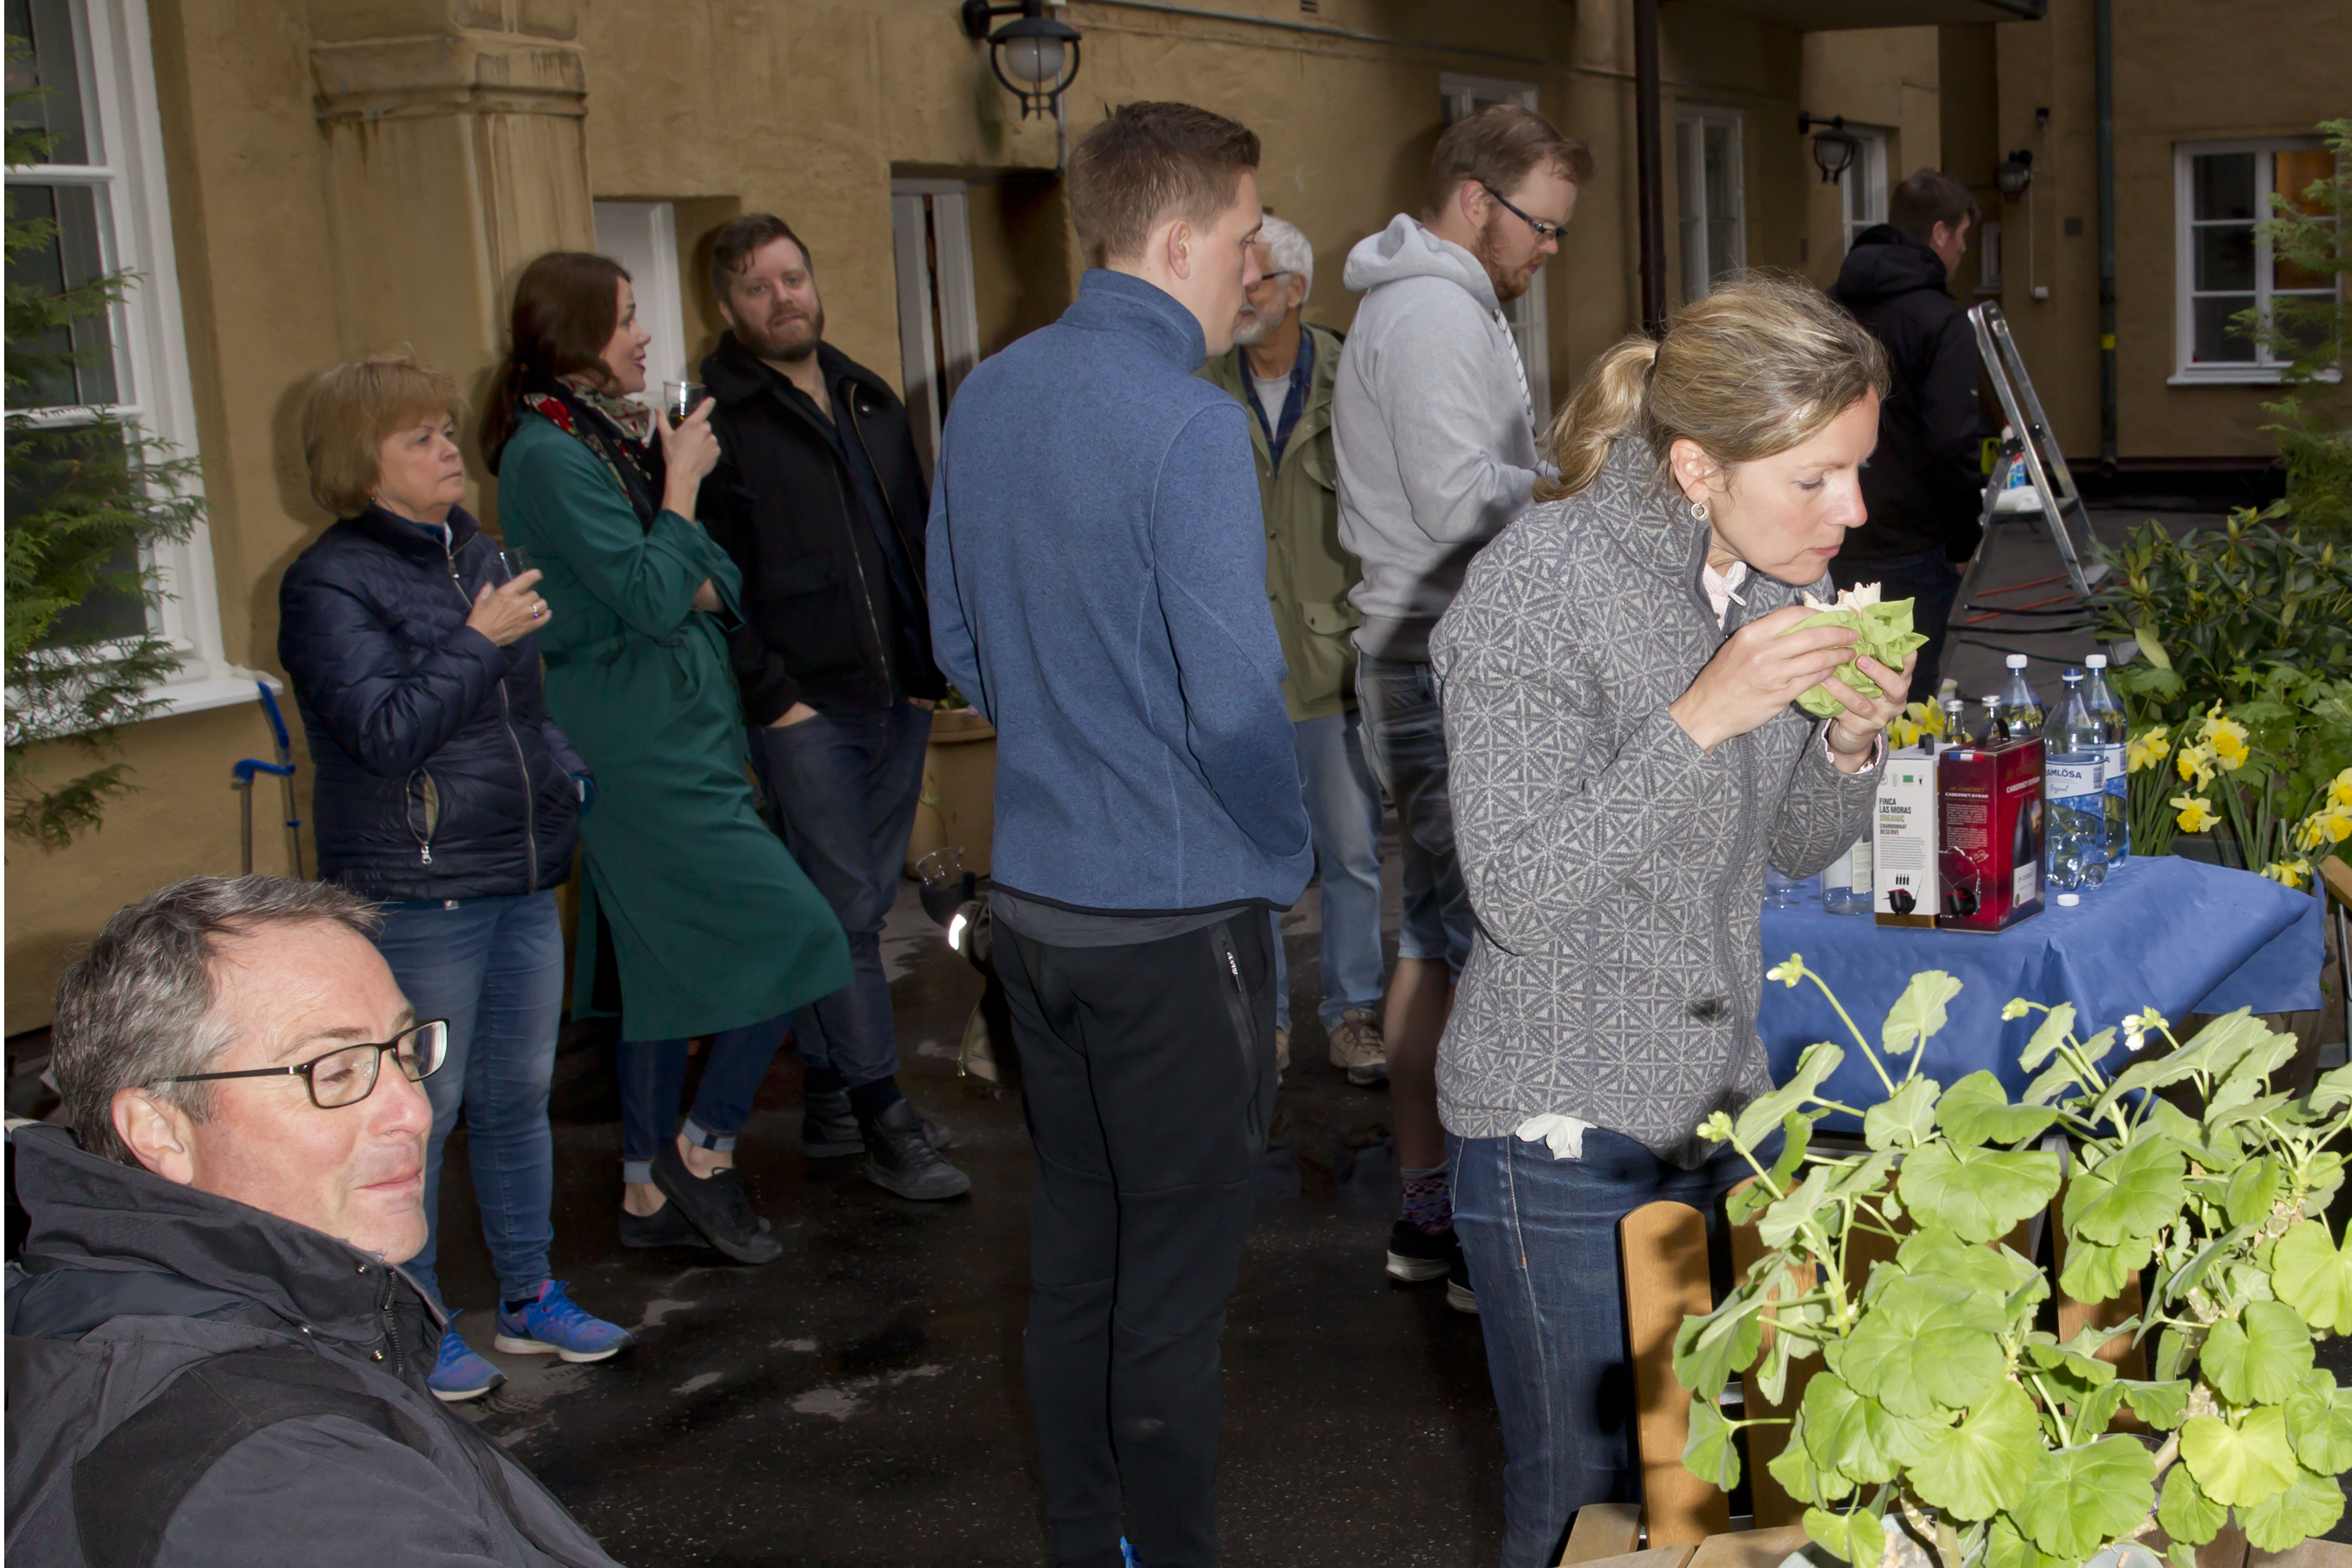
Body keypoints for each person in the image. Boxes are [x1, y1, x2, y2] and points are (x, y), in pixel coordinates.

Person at [1431, 275, 1911, 1568]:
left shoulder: (1761, 580)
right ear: (1698, 467)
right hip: (1560, 1133)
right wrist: (1702, 718)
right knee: (1589, 1510)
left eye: (1857, 471)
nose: (1852, 512)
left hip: (1721, 1109)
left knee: (1704, 1496)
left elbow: (1793, 846)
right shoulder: (1536, 589)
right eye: (1815, 479)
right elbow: (1518, 892)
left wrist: (1851, 742)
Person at [928, 102, 1311, 1568]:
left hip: (1037, 913)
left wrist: (1071, 728)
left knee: (1080, 1266)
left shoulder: (991, 393)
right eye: (1245, 236)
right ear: (1176, 240)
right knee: (1170, 1304)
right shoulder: (1190, 424)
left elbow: (957, 642)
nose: (1256, 265)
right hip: (1175, 930)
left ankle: (1095, 1550)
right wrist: (1282, 857)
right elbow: (1236, 702)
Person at [8, 876, 628, 1566]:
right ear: (161, 1131)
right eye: (334, 1073)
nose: (415, 1112)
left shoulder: (122, 1296)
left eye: (404, 1052)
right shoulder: (280, 1481)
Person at [480, 252, 853, 1264]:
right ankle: (705, 1146)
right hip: (639, 746)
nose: (643, 335)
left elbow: (717, 578)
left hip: (682, 725)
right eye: (624, 318)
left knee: (658, 975)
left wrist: (675, 546)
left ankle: (646, 1192)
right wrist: (682, 486)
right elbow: (654, 595)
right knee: (802, 933)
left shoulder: (603, 435)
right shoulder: (549, 455)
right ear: (573, 334)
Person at [278, 353, 629, 1401]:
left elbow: (524, 713)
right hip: (419, 888)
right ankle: (414, 1318)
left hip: (520, 876)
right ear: (364, 461)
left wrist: (567, 778)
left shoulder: (478, 555)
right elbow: (385, 733)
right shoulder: (329, 582)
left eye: (444, 430)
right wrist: (480, 638)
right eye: (420, 438)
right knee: (414, 1110)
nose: (449, 452)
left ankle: (528, 1296)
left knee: (519, 1097)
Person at [1332, 101, 1592, 1306]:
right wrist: (1572, 488)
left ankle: (1432, 1209)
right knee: (1484, 945)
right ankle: (1481, 1227)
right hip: (1436, 661)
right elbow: (1453, 500)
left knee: (1433, 938)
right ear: (1477, 201)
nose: (1551, 250)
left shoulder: (1442, 301)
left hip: (1422, 650)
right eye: (1541, 226)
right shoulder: (1434, 311)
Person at [697, 212, 968, 1200]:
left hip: (895, 694)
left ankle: (828, 1099)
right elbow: (706, 578)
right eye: (758, 286)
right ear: (728, 307)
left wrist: (929, 662)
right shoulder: (719, 422)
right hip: (803, 709)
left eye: (793, 277)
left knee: (839, 905)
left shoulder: (867, 396)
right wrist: (772, 698)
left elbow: (915, 533)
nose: (784, 298)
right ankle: (885, 1116)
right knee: (852, 912)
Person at [1198, 213, 1387, 1087]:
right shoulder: (1202, 387)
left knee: (1351, 856)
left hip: (1334, 668)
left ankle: (1353, 1014)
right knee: (1253, 863)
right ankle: (1263, 1023)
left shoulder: (1358, 382)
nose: (1241, 294)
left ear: (1297, 291)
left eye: (1257, 280)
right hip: (1239, 669)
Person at [1829, 167, 1985, 697]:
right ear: (1940, 233)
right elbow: (1952, 443)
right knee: (1907, 699)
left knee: (1838, 692)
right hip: (1913, 545)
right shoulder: (1941, 320)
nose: (1964, 250)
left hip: (1831, 534)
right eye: (1962, 236)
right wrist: (1964, 541)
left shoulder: (1828, 309)